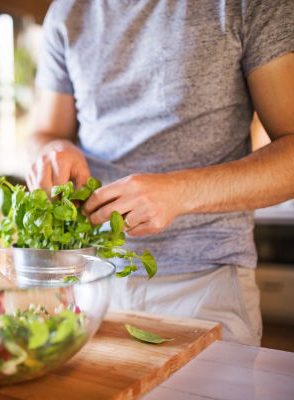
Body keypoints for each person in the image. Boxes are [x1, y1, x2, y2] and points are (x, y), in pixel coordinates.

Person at [27, 0, 294, 346]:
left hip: (204, 283)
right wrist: (51, 149)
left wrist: (179, 192)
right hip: (91, 281)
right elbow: (43, 133)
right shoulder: (67, 12)